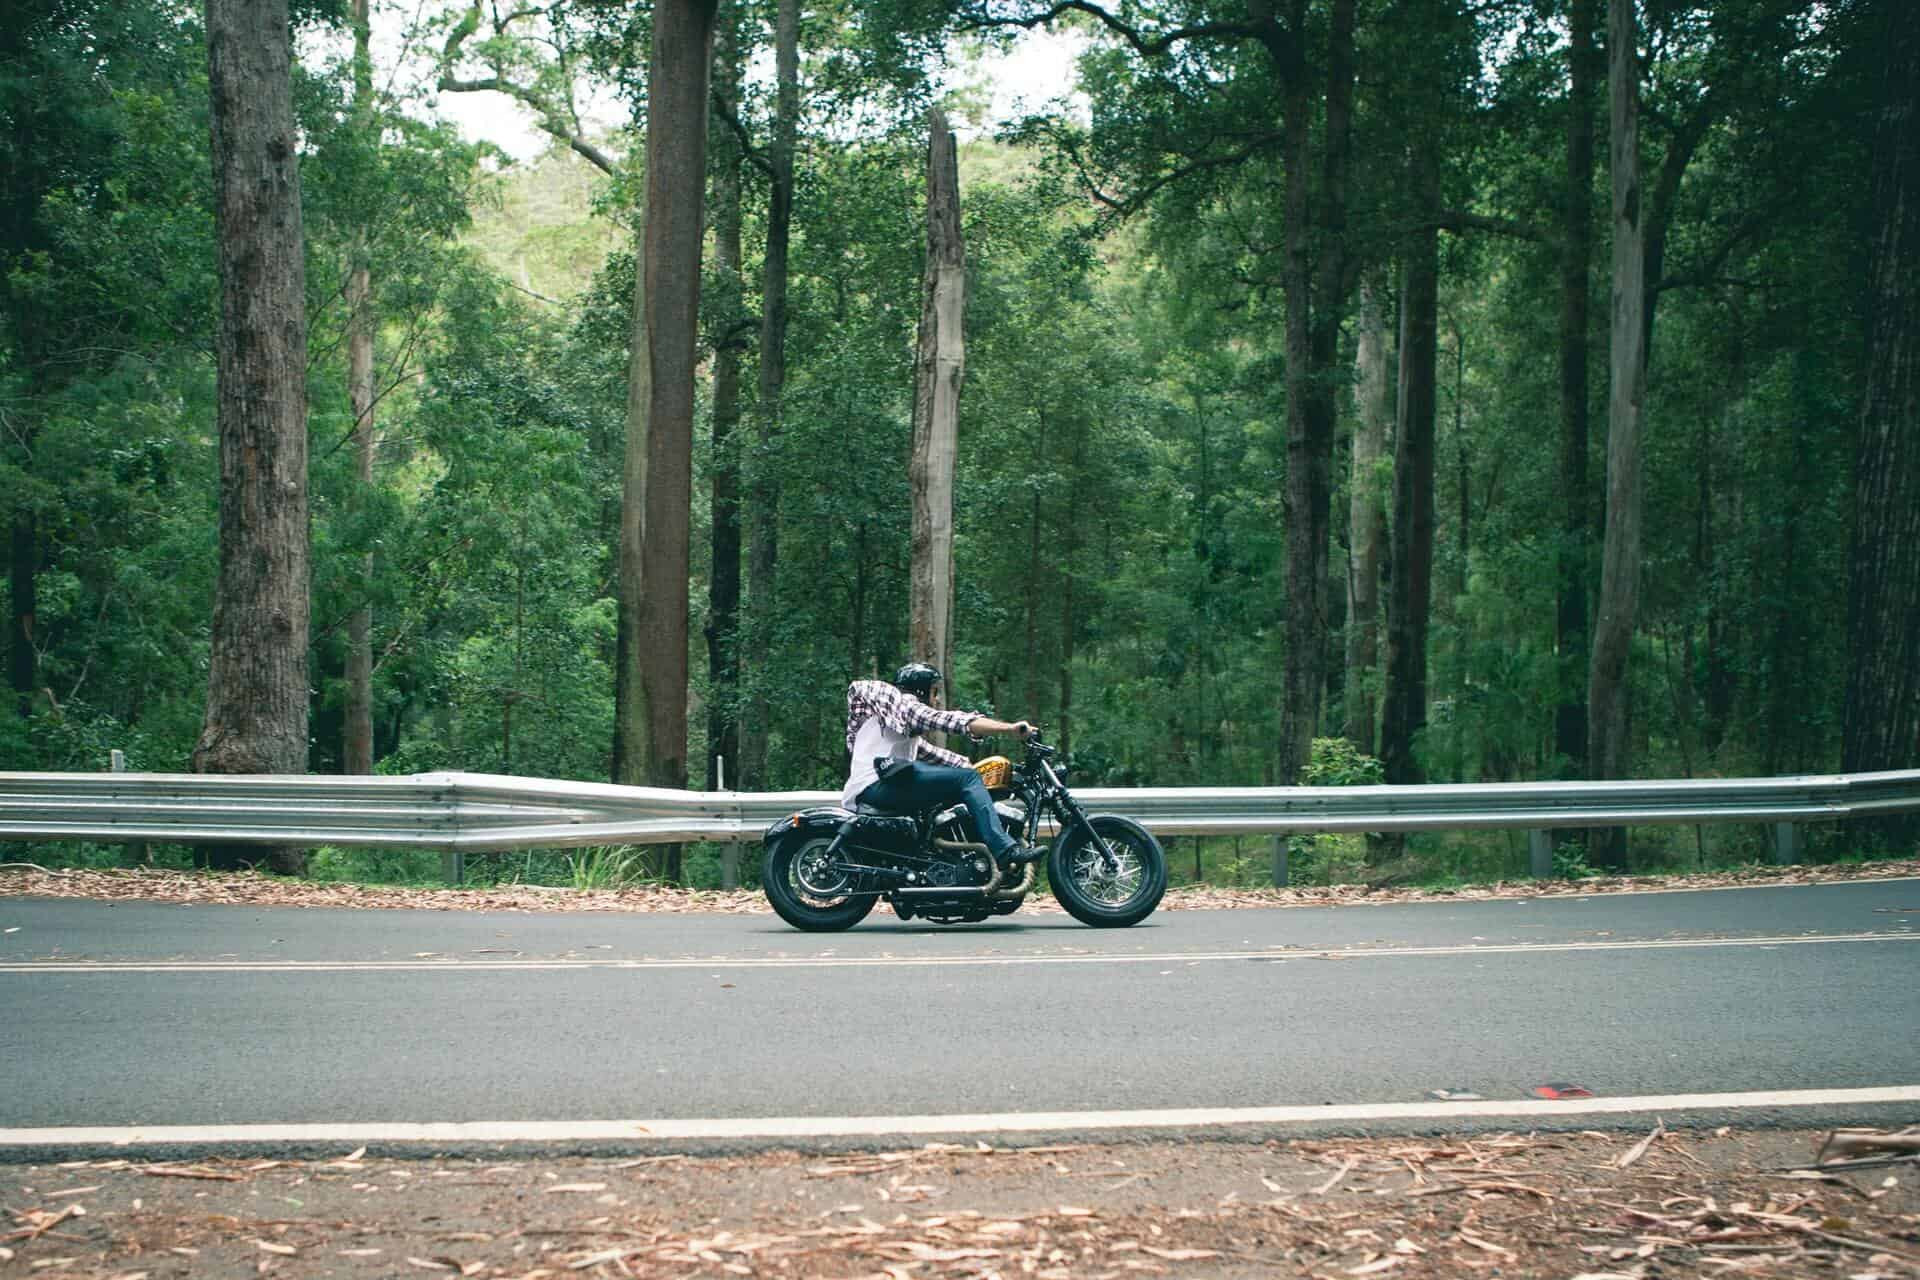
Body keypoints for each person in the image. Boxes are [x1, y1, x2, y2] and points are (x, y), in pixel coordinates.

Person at [841, 662, 1037, 862]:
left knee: (962, 777)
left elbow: (937, 755)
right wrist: (1011, 729)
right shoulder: (907, 707)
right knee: (967, 779)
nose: (937, 699)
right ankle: (1004, 850)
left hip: (877, 787)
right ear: (921, 690)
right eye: (935, 692)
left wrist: (971, 766)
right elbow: (948, 720)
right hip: (875, 787)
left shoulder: (899, 727)